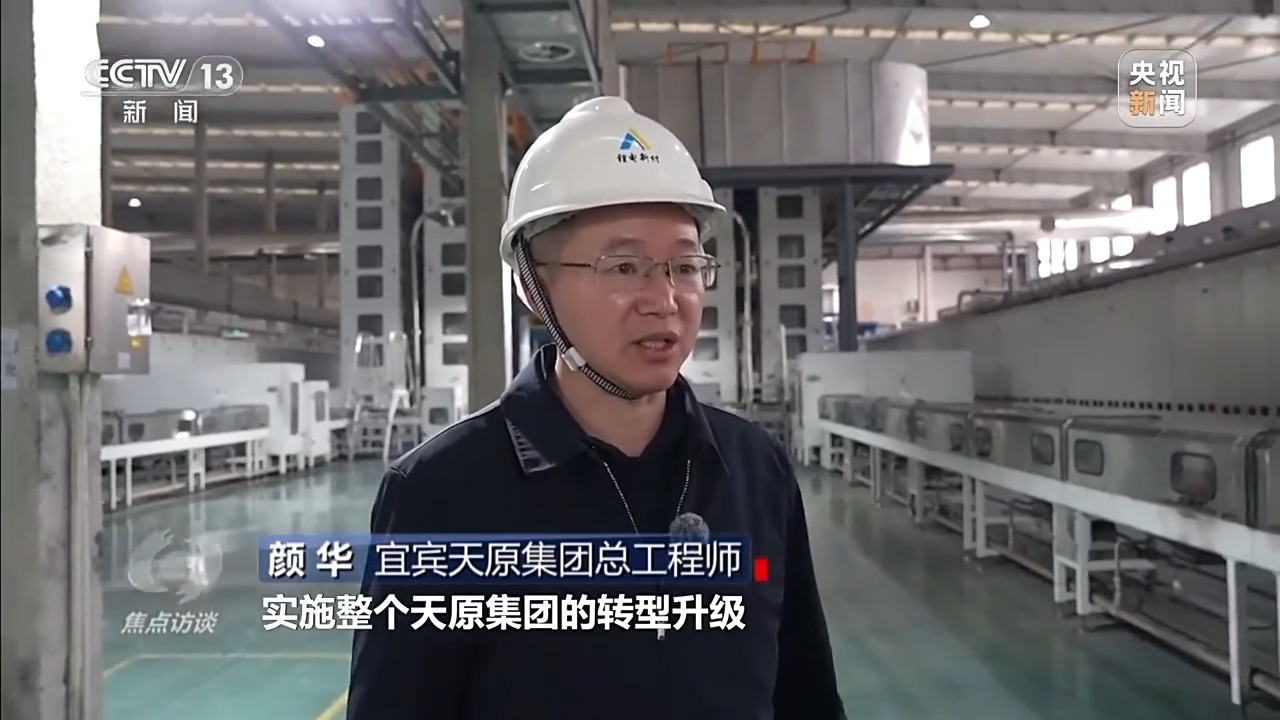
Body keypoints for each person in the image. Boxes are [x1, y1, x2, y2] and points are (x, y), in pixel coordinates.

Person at [346, 96, 845, 720]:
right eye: (624, 266)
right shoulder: (442, 492)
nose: (664, 299)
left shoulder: (755, 469)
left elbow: (805, 695)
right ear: (534, 285)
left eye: (686, 265)